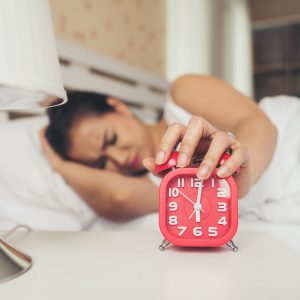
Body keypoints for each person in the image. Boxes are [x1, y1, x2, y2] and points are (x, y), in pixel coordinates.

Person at [40, 74, 277, 222]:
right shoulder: (155, 183)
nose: (118, 159)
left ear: (118, 106)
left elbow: (258, 123)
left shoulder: (183, 94)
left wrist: (245, 168)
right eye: (101, 164)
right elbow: (119, 198)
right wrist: (59, 165)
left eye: (110, 139)